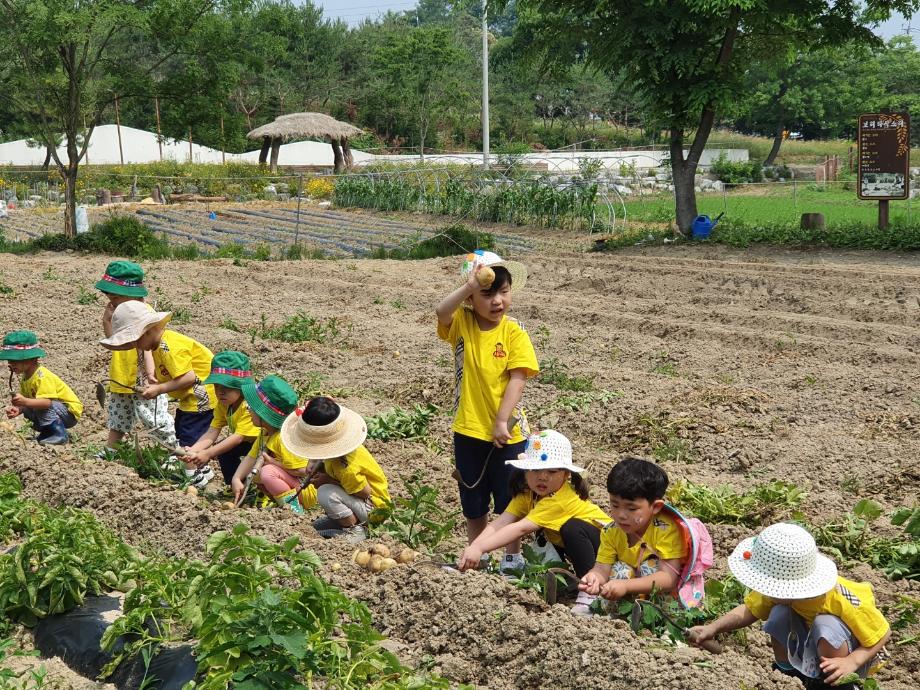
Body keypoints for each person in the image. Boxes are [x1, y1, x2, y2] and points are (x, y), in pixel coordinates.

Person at [688, 523, 891, 690]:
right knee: (778, 614)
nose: (765, 591)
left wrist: (852, 662)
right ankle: (789, 675)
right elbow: (749, 610)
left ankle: (834, 684)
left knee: (825, 625)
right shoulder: (778, 593)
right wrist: (712, 628)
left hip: (851, 657)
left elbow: (882, 633)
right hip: (811, 646)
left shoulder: (840, 598)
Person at [436, 250, 539, 573]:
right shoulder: (463, 323)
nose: (497, 301)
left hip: (507, 433)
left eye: (503, 292)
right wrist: (468, 287)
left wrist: (500, 421)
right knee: (473, 501)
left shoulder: (513, 331)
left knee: (511, 500)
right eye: (488, 293)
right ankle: (475, 556)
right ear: (471, 299)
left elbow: (518, 378)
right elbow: (441, 311)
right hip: (468, 429)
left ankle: (511, 557)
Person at [458, 430, 610, 614]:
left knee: (571, 528)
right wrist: (475, 546)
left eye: (552, 471)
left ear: (566, 475)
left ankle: (592, 593)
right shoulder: (528, 494)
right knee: (549, 531)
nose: (542, 476)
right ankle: (569, 581)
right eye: (535, 470)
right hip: (579, 545)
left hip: (608, 548)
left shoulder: (559, 500)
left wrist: (480, 549)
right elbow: (502, 522)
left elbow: (519, 529)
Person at [99, 301, 216, 488]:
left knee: (188, 436)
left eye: (136, 341)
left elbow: (189, 377)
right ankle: (201, 470)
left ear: (146, 332)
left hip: (202, 395)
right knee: (183, 429)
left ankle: (192, 479)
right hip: (191, 397)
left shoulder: (168, 347)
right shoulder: (157, 346)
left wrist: (160, 389)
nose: (136, 345)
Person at [579, 458, 687, 613]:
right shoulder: (611, 531)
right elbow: (603, 567)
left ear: (655, 507)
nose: (621, 515)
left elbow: (668, 578)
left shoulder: (666, 529)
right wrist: (594, 577)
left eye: (631, 508)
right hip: (631, 592)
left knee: (650, 567)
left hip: (665, 597)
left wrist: (625, 586)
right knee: (619, 569)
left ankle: (667, 625)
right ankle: (618, 620)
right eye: (615, 505)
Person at [94, 260, 177, 458]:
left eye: (114, 295)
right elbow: (114, 340)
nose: (110, 299)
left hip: (141, 374)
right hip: (122, 372)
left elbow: (145, 347)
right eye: (108, 295)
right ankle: (111, 450)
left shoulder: (142, 313)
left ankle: (174, 450)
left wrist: (150, 374)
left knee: (153, 416)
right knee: (118, 415)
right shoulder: (116, 311)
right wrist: (106, 320)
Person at [281, 396, 390, 543]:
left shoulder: (346, 466)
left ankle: (356, 528)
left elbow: (365, 492)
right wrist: (314, 461)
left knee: (326, 493)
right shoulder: (337, 453)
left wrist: (329, 480)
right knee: (327, 491)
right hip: (360, 501)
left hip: (375, 509)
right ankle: (340, 521)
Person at [232, 375, 317, 513]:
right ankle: (281, 503)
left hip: (306, 489)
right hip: (293, 485)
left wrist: (272, 462)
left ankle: (294, 510)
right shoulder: (265, 434)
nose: (248, 410)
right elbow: (250, 457)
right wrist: (236, 478)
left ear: (263, 414)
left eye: (251, 408)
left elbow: (303, 471)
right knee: (256, 471)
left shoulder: (283, 439)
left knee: (267, 471)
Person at [183, 351, 259, 485]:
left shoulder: (248, 406)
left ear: (241, 387)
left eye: (227, 388)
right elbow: (212, 431)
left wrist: (208, 453)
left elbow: (237, 437)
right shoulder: (224, 405)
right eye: (216, 387)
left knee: (258, 465)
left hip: (266, 445)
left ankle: (257, 489)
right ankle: (233, 485)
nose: (220, 392)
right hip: (250, 443)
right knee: (225, 452)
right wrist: (194, 450)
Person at [2, 330, 82, 445]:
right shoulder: (26, 377)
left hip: (68, 413)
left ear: (32, 359)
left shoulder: (42, 376)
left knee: (39, 404)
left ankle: (59, 433)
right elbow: (28, 402)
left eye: (15, 360)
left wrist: (25, 401)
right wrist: (19, 409)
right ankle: (47, 434)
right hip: (55, 410)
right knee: (29, 406)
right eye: (10, 360)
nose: (10, 363)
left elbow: (46, 403)